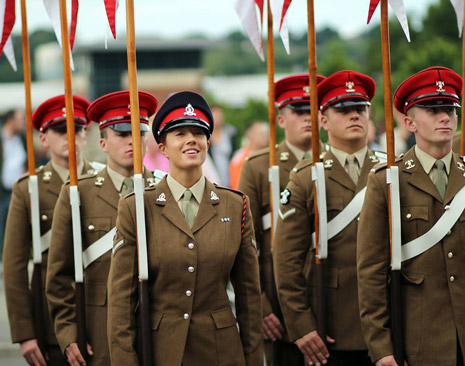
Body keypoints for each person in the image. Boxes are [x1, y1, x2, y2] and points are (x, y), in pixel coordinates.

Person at [107, 91, 263, 366]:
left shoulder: (234, 205)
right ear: (163, 147)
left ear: (207, 142)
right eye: (179, 133)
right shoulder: (137, 207)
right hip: (160, 351)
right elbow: (121, 300)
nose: (191, 139)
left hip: (222, 353)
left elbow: (248, 295)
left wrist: (253, 358)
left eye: (198, 133)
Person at [357, 66, 465, 366]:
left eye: (450, 109)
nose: (445, 117)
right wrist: (381, 347)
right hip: (421, 341)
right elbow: (371, 272)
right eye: (433, 109)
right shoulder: (387, 181)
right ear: (409, 122)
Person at [273, 70, 378, 366]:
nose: (354, 116)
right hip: (330, 326)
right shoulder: (307, 176)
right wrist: (302, 325)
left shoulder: (391, 172)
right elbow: (286, 260)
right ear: (323, 121)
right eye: (343, 110)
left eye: (360, 108)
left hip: (388, 323)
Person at [45, 91, 158, 366]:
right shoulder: (78, 193)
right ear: (103, 143)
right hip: (98, 332)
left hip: (159, 328)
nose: (133, 140)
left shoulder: (164, 190)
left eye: (140, 132)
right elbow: (59, 276)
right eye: (122, 133)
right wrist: (69, 334)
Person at [3, 95, 98, 366]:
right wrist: (25, 333)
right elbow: (14, 265)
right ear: (43, 139)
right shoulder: (28, 189)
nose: (69, 135)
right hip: (49, 320)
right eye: (59, 130)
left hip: (100, 314)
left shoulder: (101, 181)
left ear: (85, 134)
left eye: (77, 128)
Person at [238, 73, 325, 366]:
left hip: (330, 299)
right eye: (299, 111)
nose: (307, 117)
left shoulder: (334, 163)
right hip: (276, 304)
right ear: (281, 120)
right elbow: (244, 244)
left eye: (313, 109)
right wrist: (259, 305)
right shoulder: (260, 167)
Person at [0, 109, 26, 254]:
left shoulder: (20, 138)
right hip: (3, 190)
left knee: (17, 224)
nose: (22, 122)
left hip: (18, 188)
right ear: (11, 121)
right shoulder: (2, 139)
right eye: (19, 119)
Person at [229, 121, 269, 189]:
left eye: (266, 134)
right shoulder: (239, 158)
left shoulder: (270, 155)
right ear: (249, 135)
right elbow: (236, 185)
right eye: (261, 134)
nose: (265, 137)